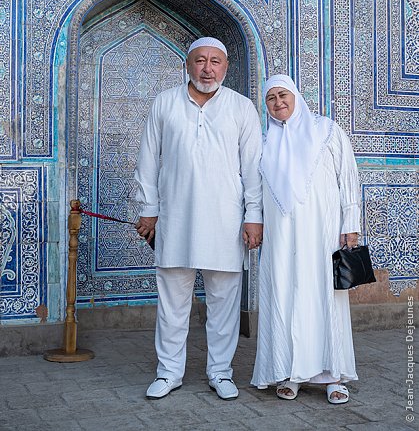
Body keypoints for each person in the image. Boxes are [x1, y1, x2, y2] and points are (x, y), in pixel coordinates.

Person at [134, 37, 263, 400]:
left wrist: (253, 216)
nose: (208, 68)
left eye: (216, 61)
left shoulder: (241, 107)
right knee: (172, 302)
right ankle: (168, 373)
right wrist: (149, 210)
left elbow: (253, 168)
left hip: (226, 221)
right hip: (176, 219)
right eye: (201, 60)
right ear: (187, 65)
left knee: (224, 304)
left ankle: (220, 372)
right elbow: (148, 160)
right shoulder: (165, 102)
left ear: (225, 66)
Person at [251, 74, 360, 405]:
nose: (278, 102)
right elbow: (254, 190)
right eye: (271, 98)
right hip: (281, 238)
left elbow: (348, 176)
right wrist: (254, 221)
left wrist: (350, 222)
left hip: (322, 233)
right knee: (284, 295)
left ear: (296, 96)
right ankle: (290, 373)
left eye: (283, 94)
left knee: (323, 296)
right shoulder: (265, 141)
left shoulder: (326, 130)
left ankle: (333, 376)